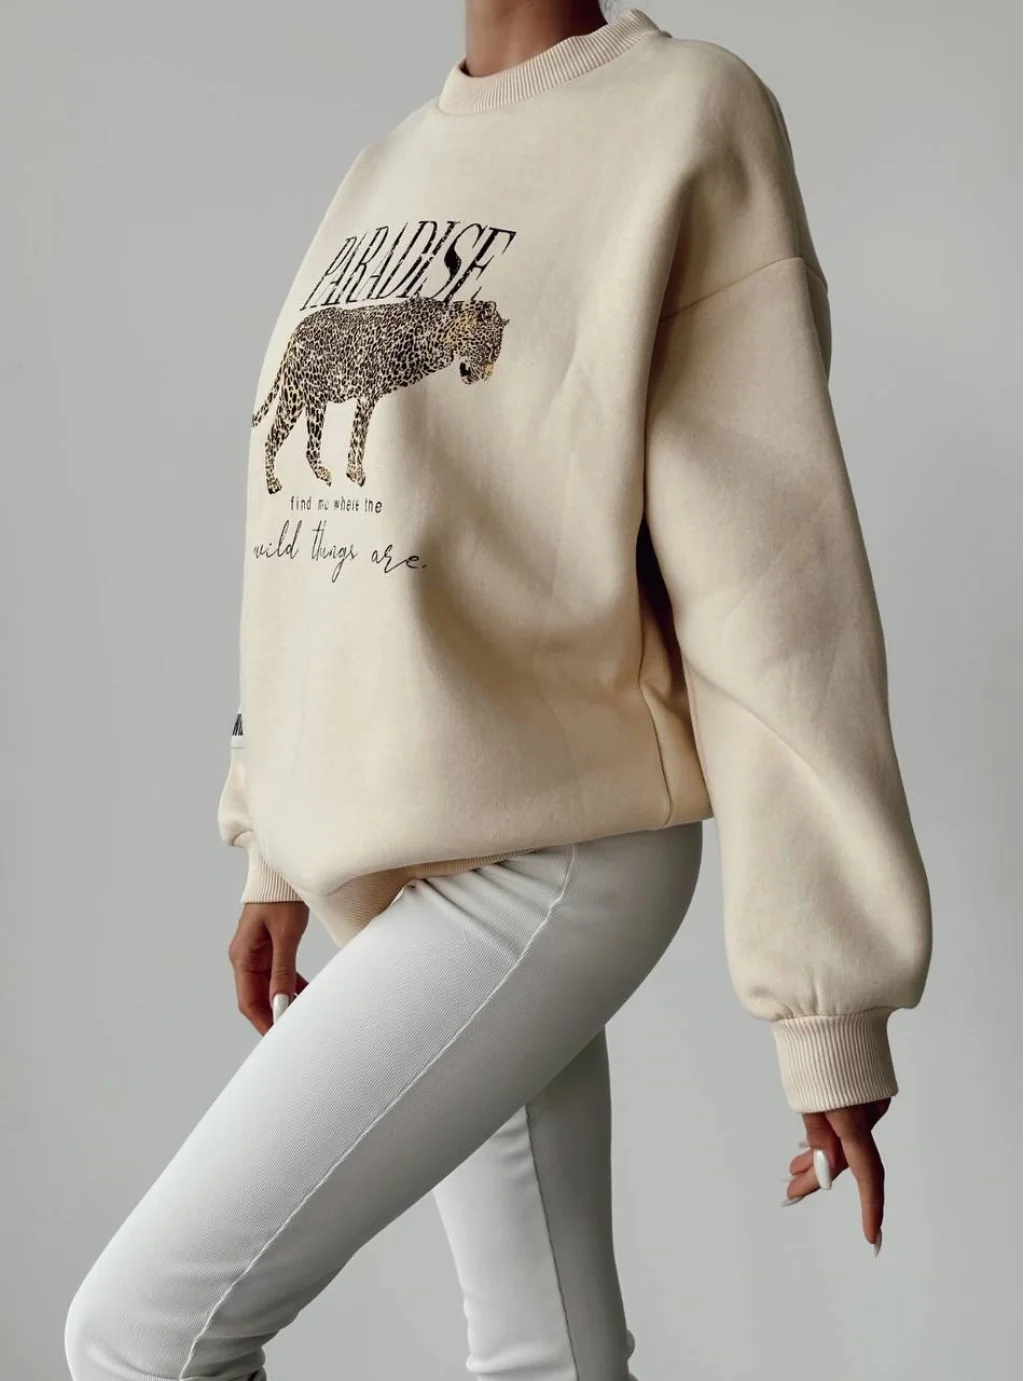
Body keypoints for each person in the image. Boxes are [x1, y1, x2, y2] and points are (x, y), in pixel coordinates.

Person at [64, 3, 933, 1379]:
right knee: (545, 1351)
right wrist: (273, 839)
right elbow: (310, 544)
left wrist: (827, 1002)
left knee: (142, 1336)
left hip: (557, 849)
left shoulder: (685, 117)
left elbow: (775, 590)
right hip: (406, 857)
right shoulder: (387, 168)